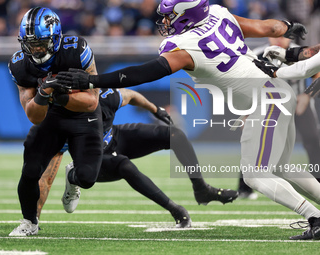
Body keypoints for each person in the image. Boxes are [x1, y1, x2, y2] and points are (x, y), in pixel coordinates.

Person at [55, 0, 320, 240]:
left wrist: (93, 79)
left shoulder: (184, 46)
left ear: (185, 16)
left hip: (266, 100)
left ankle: (314, 218)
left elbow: (144, 73)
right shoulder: (218, 14)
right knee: (282, 167)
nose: (165, 22)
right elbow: (271, 28)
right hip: (279, 93)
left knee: (255, 176)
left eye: (170, 16)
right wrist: (287, 25)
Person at [37, 88, 240, 228]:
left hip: (114, 137)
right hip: (90, 160)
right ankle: (175, 210)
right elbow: (46, 175)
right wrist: (32, 218)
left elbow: (131, 95)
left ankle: (201, 189)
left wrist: (155, 109)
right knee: (124, 165)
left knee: (174, 134)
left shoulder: (104, 97)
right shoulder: (62, 121)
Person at [8, 7, 103, 236]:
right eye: (31, 43)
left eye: (41, 42)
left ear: (56, 37)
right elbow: (33, 115)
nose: (36, 48)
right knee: (30, 169)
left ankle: (72, 177)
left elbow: (91, 101)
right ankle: (29, 222)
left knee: (87, 178)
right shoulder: (20, 64)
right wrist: (43, 93)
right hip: (50, 117)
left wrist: (60, 95)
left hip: (84, 117)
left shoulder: (76, 50)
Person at [238, 36, 320, 199]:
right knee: (254, 141)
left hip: (298, 103)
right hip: (271, 105)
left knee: (313, 140)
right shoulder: (259, 53)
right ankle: (244, 186)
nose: (275, 39)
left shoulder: (302, 51)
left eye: (280, 35)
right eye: (272, 34)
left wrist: (307, 95)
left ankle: (317, 182)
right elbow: (250, 85)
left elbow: (312, 73)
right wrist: (247, 111)